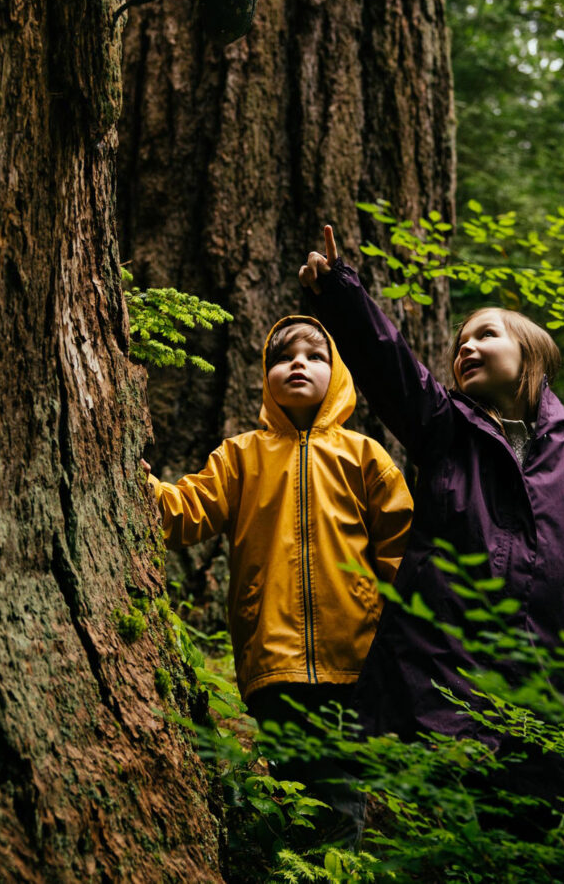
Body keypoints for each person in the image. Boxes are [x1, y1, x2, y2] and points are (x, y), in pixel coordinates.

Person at [299, 227, 564, 755]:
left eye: (486, 335)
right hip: (431, 694)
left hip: (545, 708)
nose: (467, 346)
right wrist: (341, 293)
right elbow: (391, 367)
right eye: (460, 343)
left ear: (532, 356)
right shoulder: (444, 427)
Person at [143, 315, 413, 845]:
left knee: (337, 788)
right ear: (265, 377)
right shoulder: (242, 454)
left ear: (336, 376)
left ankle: (335, 871)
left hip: (351, 657)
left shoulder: (364, 455)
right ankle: (293, 865)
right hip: (272, 652)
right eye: (283, 357)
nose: (298, 364)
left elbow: (400, 547)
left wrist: (396, 634)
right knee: (292, 784)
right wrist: (140, 484)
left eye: (315, 357)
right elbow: (187, 511)